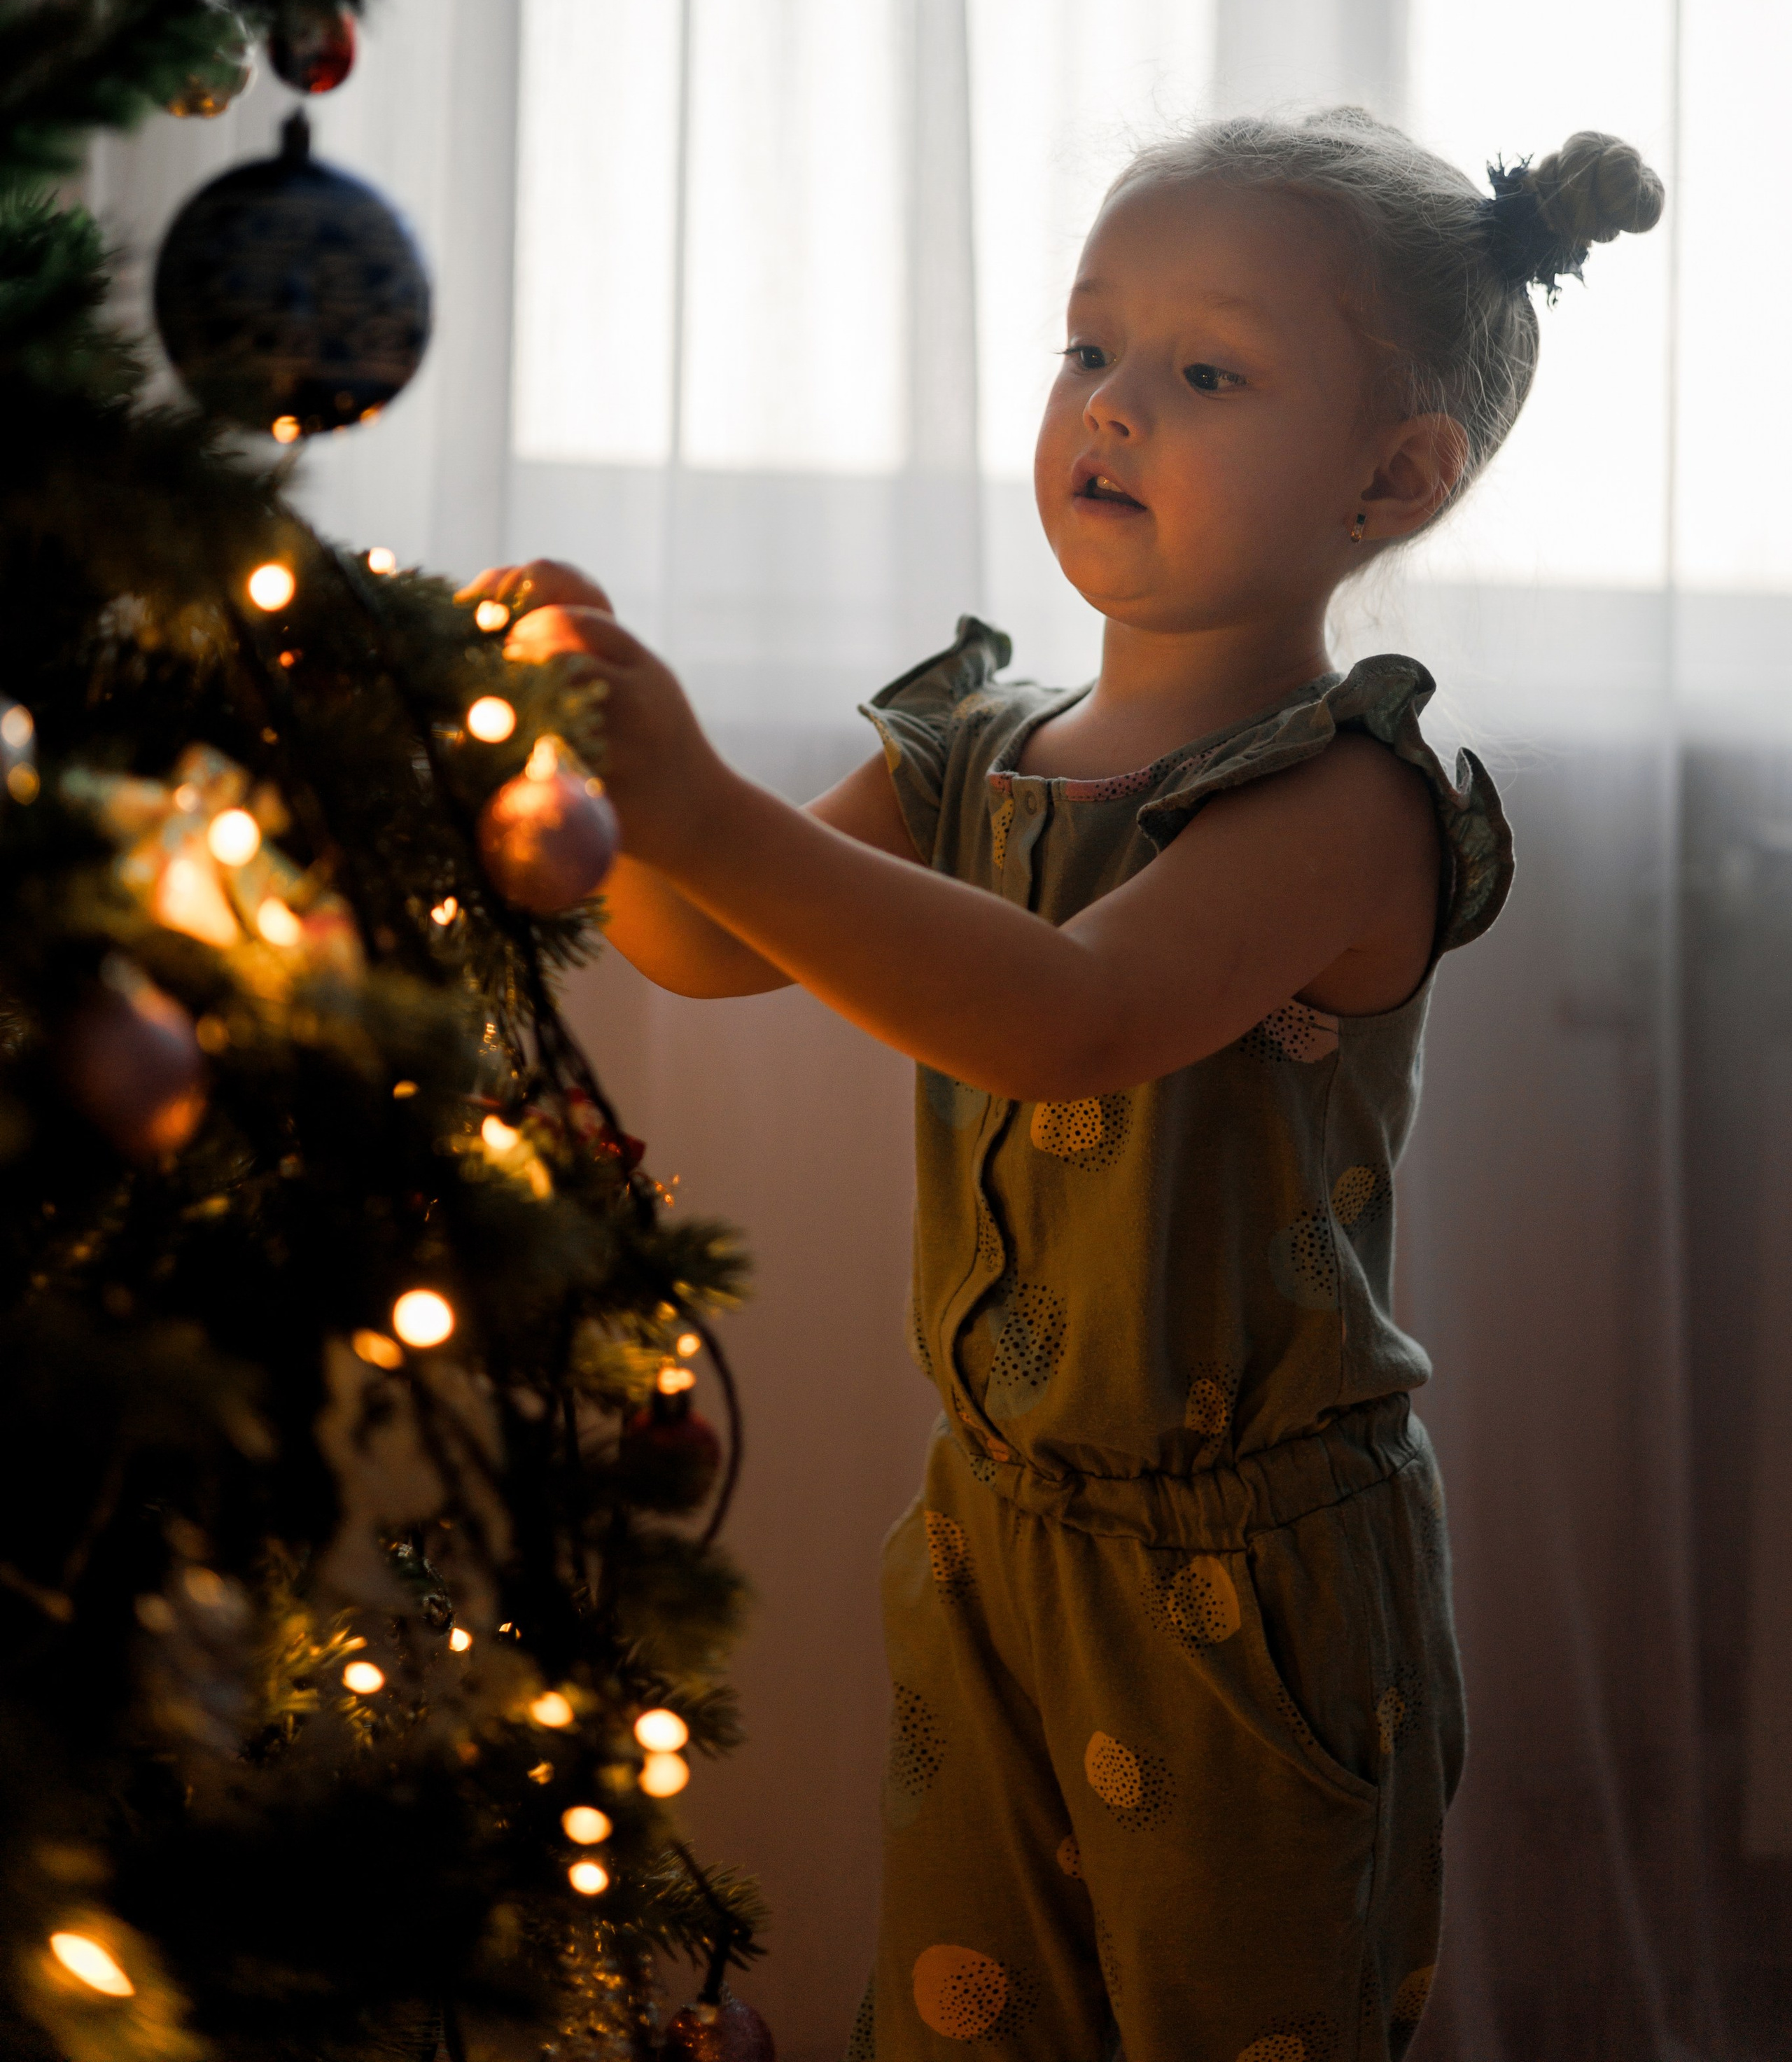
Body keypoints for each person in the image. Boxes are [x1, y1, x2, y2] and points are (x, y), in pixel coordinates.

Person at [463, 109, 1663, 2062]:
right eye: (1089, 349)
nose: (1112, 408)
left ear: (1397, 475)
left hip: (1249, 1589)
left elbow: (1065, 1018)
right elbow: (709, 944)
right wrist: (592, 783)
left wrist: (694, 797)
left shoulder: (1347, 802)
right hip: (995, 1534)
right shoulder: (971, 745)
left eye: (1205, 372)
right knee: (963, 2022)